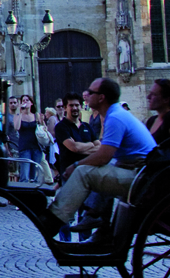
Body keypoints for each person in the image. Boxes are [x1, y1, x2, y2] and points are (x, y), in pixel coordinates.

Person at [45, 78, 157, 246]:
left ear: (102, 97)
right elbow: (100, 151)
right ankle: (99, 220)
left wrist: (76, 165)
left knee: (83, 173)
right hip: (139, 171)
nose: (87, 95)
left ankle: (55, 219)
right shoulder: (115, 115)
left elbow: (103, 155)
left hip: (140, 176)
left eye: (91, 92)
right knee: (97, 169)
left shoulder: (115, 118)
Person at [52, 95, 96, 240]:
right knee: (66, 212)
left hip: (87, 173)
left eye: (77, 105)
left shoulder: (87, 126)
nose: (75, 108)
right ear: (65, 108)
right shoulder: (61, 127)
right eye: (71, 105)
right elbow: (73, 147)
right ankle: (66, 243)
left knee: (86, 212)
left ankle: (85, 242)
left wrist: (82, 147)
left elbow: (99, 147)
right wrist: (90, 146)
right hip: (69, 174)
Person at [13, 94, 44, 185]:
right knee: (24, 174)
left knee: (34, 175)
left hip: (36, 147)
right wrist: (20, 112)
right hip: (24, 147)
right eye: (23, 100)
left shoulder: (36, 115)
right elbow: (17, 127)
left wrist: (42, 122)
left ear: (31, 103)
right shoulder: (18, 115)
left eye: (27, 100)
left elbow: (42, 129)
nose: (25, 102)